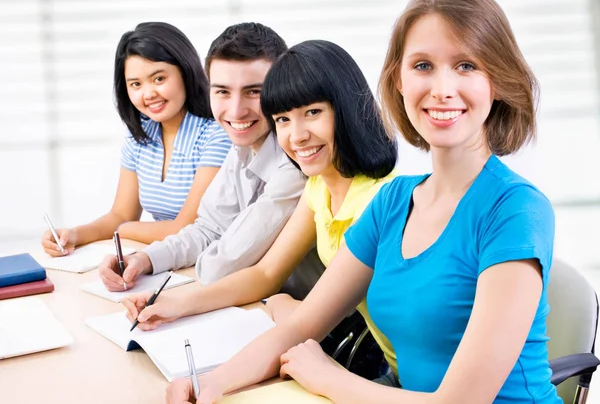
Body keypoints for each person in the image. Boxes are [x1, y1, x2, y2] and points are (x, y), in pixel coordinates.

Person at [165, 0, 562, 403]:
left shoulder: (516, 209)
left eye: (466, 65)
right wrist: (207, 385)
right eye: (423, 65)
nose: (442, 89)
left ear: (496, 79)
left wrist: (327, 376)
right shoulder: (393, 202)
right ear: (399, 81)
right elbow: (300, 327)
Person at [122, 40, 399, 381]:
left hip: (403, 376)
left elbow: (308, 318)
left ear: (345, 109)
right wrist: (174, 305)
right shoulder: (318, 187)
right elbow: (266, 274)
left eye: (313, 112)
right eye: (283, 119)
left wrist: (279, 304)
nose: (296, 136)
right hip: (392, 368)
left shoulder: (380, 199)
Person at [98, 22, 325, 295]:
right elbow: (207, 229)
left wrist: (203, 253)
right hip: (260, 307)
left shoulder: (297, 163)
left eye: (254, 91)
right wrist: (145, 259)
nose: (236, 111)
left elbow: (220, 268)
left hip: (318, 326)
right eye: (222, 91)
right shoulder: (240, 151)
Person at [40, 22, 231, 254]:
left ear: (185, 71)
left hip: (211, 261)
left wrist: (125, 229)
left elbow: (186, 228)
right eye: (136, 84)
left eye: (159, 79)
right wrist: (74, 234)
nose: (148, 94)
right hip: (165, 258)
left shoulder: (216, 135)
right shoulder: (140, 136)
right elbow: (120, 215)